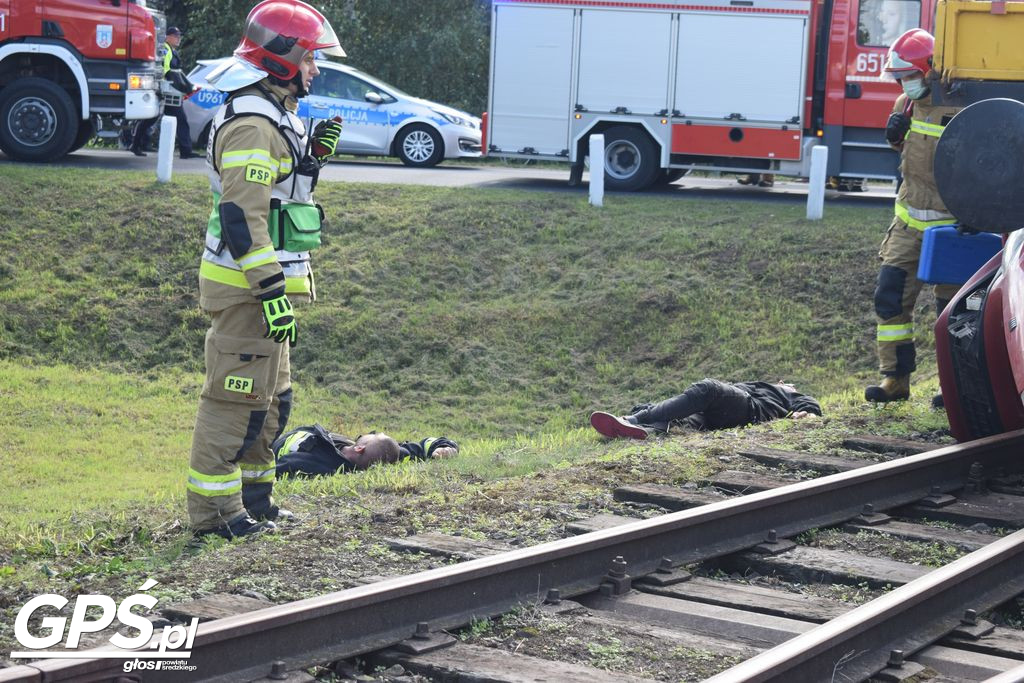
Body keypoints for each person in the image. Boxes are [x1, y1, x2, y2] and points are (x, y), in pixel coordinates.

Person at [186, 0, 346, 540]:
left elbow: (278, 201)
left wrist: (309, 162)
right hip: (249, 291)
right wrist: (271, 290)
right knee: (233, 401)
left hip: (265, 291)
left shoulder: (276, 115)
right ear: (282, 60)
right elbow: (241, 215)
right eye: (310, 60)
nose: (315, 70)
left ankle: (255, 501)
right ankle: (214, 517)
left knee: (271, 405)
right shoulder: (254, 123)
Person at [864, 29, 961, 403]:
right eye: (899, 76)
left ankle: (952, 386)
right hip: (908, 225)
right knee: (890, 299)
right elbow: (907, 153)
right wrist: (894, 136)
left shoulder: (959, 109)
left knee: (952, 312)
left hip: (953, 229)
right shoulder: (904, 104)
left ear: (929, 69)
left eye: (908, 74)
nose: (904, 82)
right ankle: (895, 380)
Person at [590, 378, 821, 440]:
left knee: (708, 388)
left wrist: (809, 414)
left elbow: (809, 405)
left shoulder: (786, 394)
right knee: (678, 420)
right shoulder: (759, 384)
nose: (786, 383)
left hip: (750, 411)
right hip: (716, 416)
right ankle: (643, 430)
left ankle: (634, 419)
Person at [272, 424, 458, 477]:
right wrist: (446, 448)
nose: (371, 432)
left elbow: (273, 469)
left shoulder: (316, 463)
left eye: (373, 435)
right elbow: (423, 446)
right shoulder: (387, 454)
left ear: (360, 447)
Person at [130, 27, 196, 157]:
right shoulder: (166, 50)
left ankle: (136, 145)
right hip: (165, 91)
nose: (179, 38)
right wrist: (176, 85)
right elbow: (165, 71)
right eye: (176, 36)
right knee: (155, 119)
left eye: (179, 36)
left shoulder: (171, 50)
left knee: (153, 119)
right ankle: (185, 151)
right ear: (167, 37)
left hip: (168, 92)